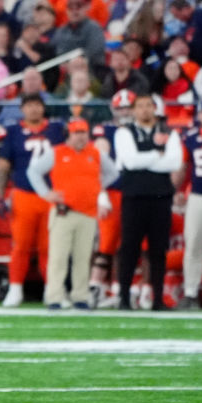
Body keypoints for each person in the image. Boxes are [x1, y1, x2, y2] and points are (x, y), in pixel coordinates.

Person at [27, 118, 119, 309]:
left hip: (88, 213)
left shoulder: (96, 154)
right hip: (64, 212)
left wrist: (96, 187)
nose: (80, 137)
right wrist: (46, 193)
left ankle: (80, 296)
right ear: (69, 134)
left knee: (83, 258)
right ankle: (54, 296)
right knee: (58, 257)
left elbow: (113, 173)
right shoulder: (57, 152)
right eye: (77, 133)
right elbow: (33, 172)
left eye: (83, 132)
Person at [0, 94, 66, 307]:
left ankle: (52, 290)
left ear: (43, 108)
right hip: (24, 194)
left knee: (49, 247)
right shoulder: (14, 132)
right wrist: (0, 195)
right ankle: (15, 288)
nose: (34, 109)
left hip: (50, 195)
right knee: (20, 245)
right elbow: (3, 165)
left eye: (37, 105)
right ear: (22, 109)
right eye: (29, 105)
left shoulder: (56, 130)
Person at [113, 94, 182, 310]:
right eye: (140, 106)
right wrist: (157, 154)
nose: (144, 110)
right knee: (129, 248)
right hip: (134, 196)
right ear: (134, 110)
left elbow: (174, 162)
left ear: (155, 108)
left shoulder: (169, 132)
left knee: (158, 250)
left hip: (161, 196)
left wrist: (147, 159)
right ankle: (124, 297)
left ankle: (157, 298)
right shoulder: (124, 132)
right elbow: (130, 162)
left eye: (148, 106)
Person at [90, 90, 134, 307]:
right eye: (121, 108)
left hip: (135, 192)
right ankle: (95, 287)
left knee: (128, 244)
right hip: (113, 191)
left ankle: (120, 288)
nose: (124, 112)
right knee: (106, 243)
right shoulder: (105, 130)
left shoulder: (140, 130)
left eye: (128, 107)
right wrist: (101, 193)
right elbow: (98, 162)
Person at [177, 100, 202, 310]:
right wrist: (178, 190)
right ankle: (190, 291)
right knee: (193, 244)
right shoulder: (190, 137)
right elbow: (182, 167)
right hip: (198, 195)